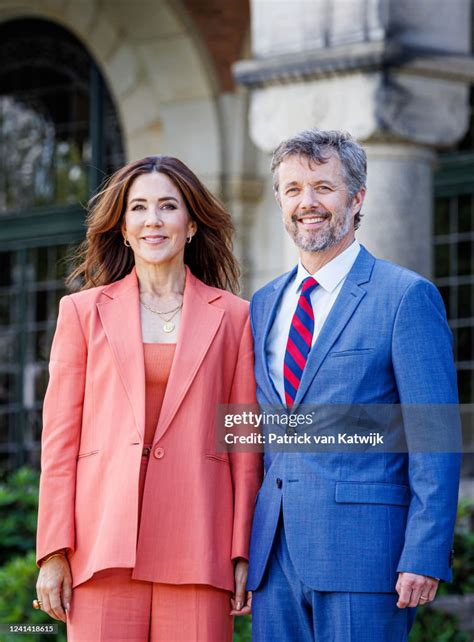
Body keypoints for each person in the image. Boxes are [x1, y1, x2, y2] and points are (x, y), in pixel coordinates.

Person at [35, 155, 262, 641]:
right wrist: (54, 551)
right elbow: (59, 443)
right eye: (138, 208)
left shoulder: (236, 318)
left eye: (167, 206)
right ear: (122, 226)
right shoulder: (81, 312)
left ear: (192, 223)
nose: (152, 220)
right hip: (101, 545)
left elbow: (245, 446)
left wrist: (242, 549)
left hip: (199, 543)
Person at [247, 129, 461, 642]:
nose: (307, 203)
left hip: (369, 558)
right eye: (293, 188)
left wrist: (425, 552)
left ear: (357, 197)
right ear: (279, 198)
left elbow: (433, 435)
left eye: (323, 187)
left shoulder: (405, 297)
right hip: (274, 559)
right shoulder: (262, 305)